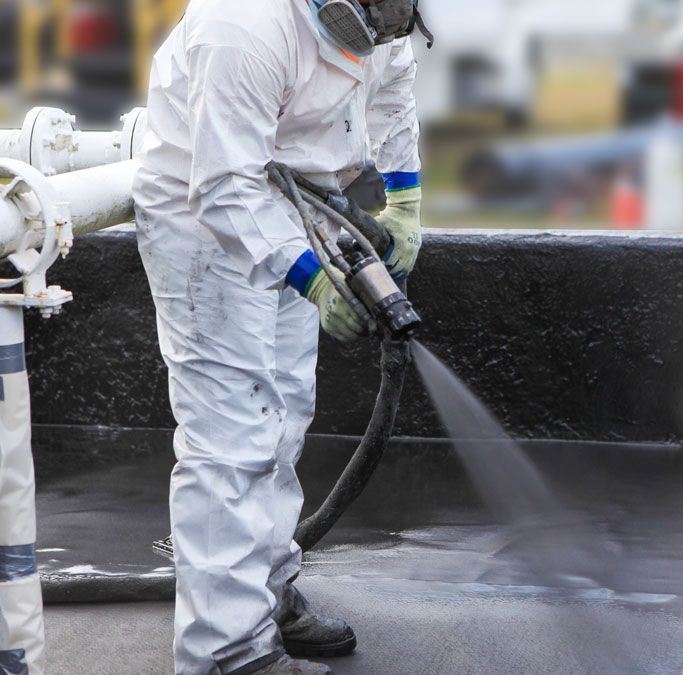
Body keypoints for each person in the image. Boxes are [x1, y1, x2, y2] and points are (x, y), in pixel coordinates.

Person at [133, 0, 428, 672]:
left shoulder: (387, 16)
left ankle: (261, 594)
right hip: (201, 219)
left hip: (299, 203)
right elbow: (224, 187)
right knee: (231, 436)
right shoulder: (244, 25)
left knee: (287, 408)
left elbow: (393, 101)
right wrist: (316, 282)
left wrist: (406, 203)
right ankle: (227, 652)